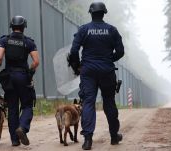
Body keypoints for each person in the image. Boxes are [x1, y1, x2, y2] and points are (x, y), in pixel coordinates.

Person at [68, 2, 124, 150]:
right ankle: (114, 136)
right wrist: (109, 59)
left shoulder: (84, 29)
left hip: (88, 71)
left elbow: (73, 51)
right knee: (109, 102)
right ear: (104, 13)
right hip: (107, 71)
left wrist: (78, 65)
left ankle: (87, 140)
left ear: (91, 13)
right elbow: (120, 51)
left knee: (88, 103)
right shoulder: (112, 30)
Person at [0, 15, 39, 146]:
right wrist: (29, 72)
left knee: (12, 108)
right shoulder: (29, 42)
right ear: (24, 27)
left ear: (11, 26)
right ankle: (22, 128)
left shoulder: (4, 40)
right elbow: (36, 62)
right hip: (23, 77)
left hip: (9, 78)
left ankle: (14, 140)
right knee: (27, 105)